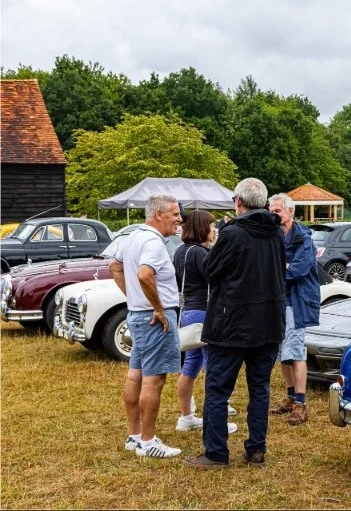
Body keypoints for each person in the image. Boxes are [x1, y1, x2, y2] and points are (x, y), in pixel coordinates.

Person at [184, 178, 286, 469]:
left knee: (217, 389)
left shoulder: (233, 234)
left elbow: (211, 271)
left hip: (232, 324)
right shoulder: (276, 232)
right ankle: (256, 449)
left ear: (238, 202)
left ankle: (216, 453)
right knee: (259, 387)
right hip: (268, 322)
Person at [108, 195, 183, 459]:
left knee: (135, 375)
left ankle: (135, 435)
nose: (179, 219)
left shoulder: (132, 236)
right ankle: (148, 441)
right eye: (174, 214)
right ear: (159, 215)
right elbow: (144, 273)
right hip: (153, 319)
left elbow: (114, 265)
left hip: (137, 315)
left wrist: (134, 298)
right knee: (155, 380)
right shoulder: (153, 241)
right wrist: (159, 308)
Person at [173, 210, 237, 435]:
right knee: (214, 365)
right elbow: (217, 277)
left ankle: (186, 416)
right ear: (202, 228)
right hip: (204, 312)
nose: (214, 229)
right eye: (211, 226)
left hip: (189, 311)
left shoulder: (181, 251)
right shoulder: (200, 253)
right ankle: (216, 418)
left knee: (190, 364)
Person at [268, 193, 320, 426]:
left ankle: (301, 403)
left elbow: (297, 270)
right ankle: (290, 397)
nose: (274, 214)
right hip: (278, 300)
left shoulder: (304, 239)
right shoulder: (273, 235)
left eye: (278, 210)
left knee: (296, 350)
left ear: (290, 212)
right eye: (272, 210)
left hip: (297, 301)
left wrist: (280, 269)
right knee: (282, 351)